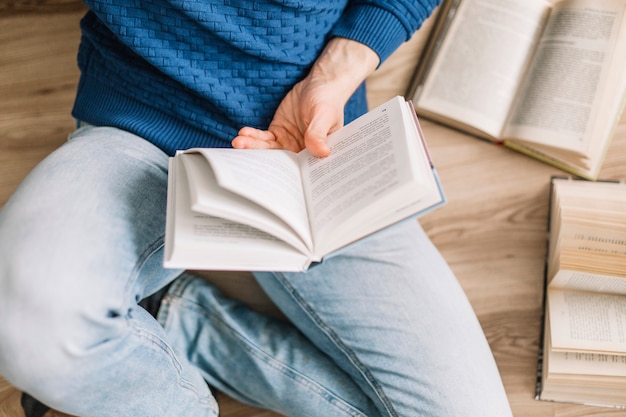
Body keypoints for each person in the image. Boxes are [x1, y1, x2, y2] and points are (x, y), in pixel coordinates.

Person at [0, 1, 514, 416]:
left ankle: (185, 321)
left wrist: (339, 68)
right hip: (139, 127)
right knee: (30, 326)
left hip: (313, 147)